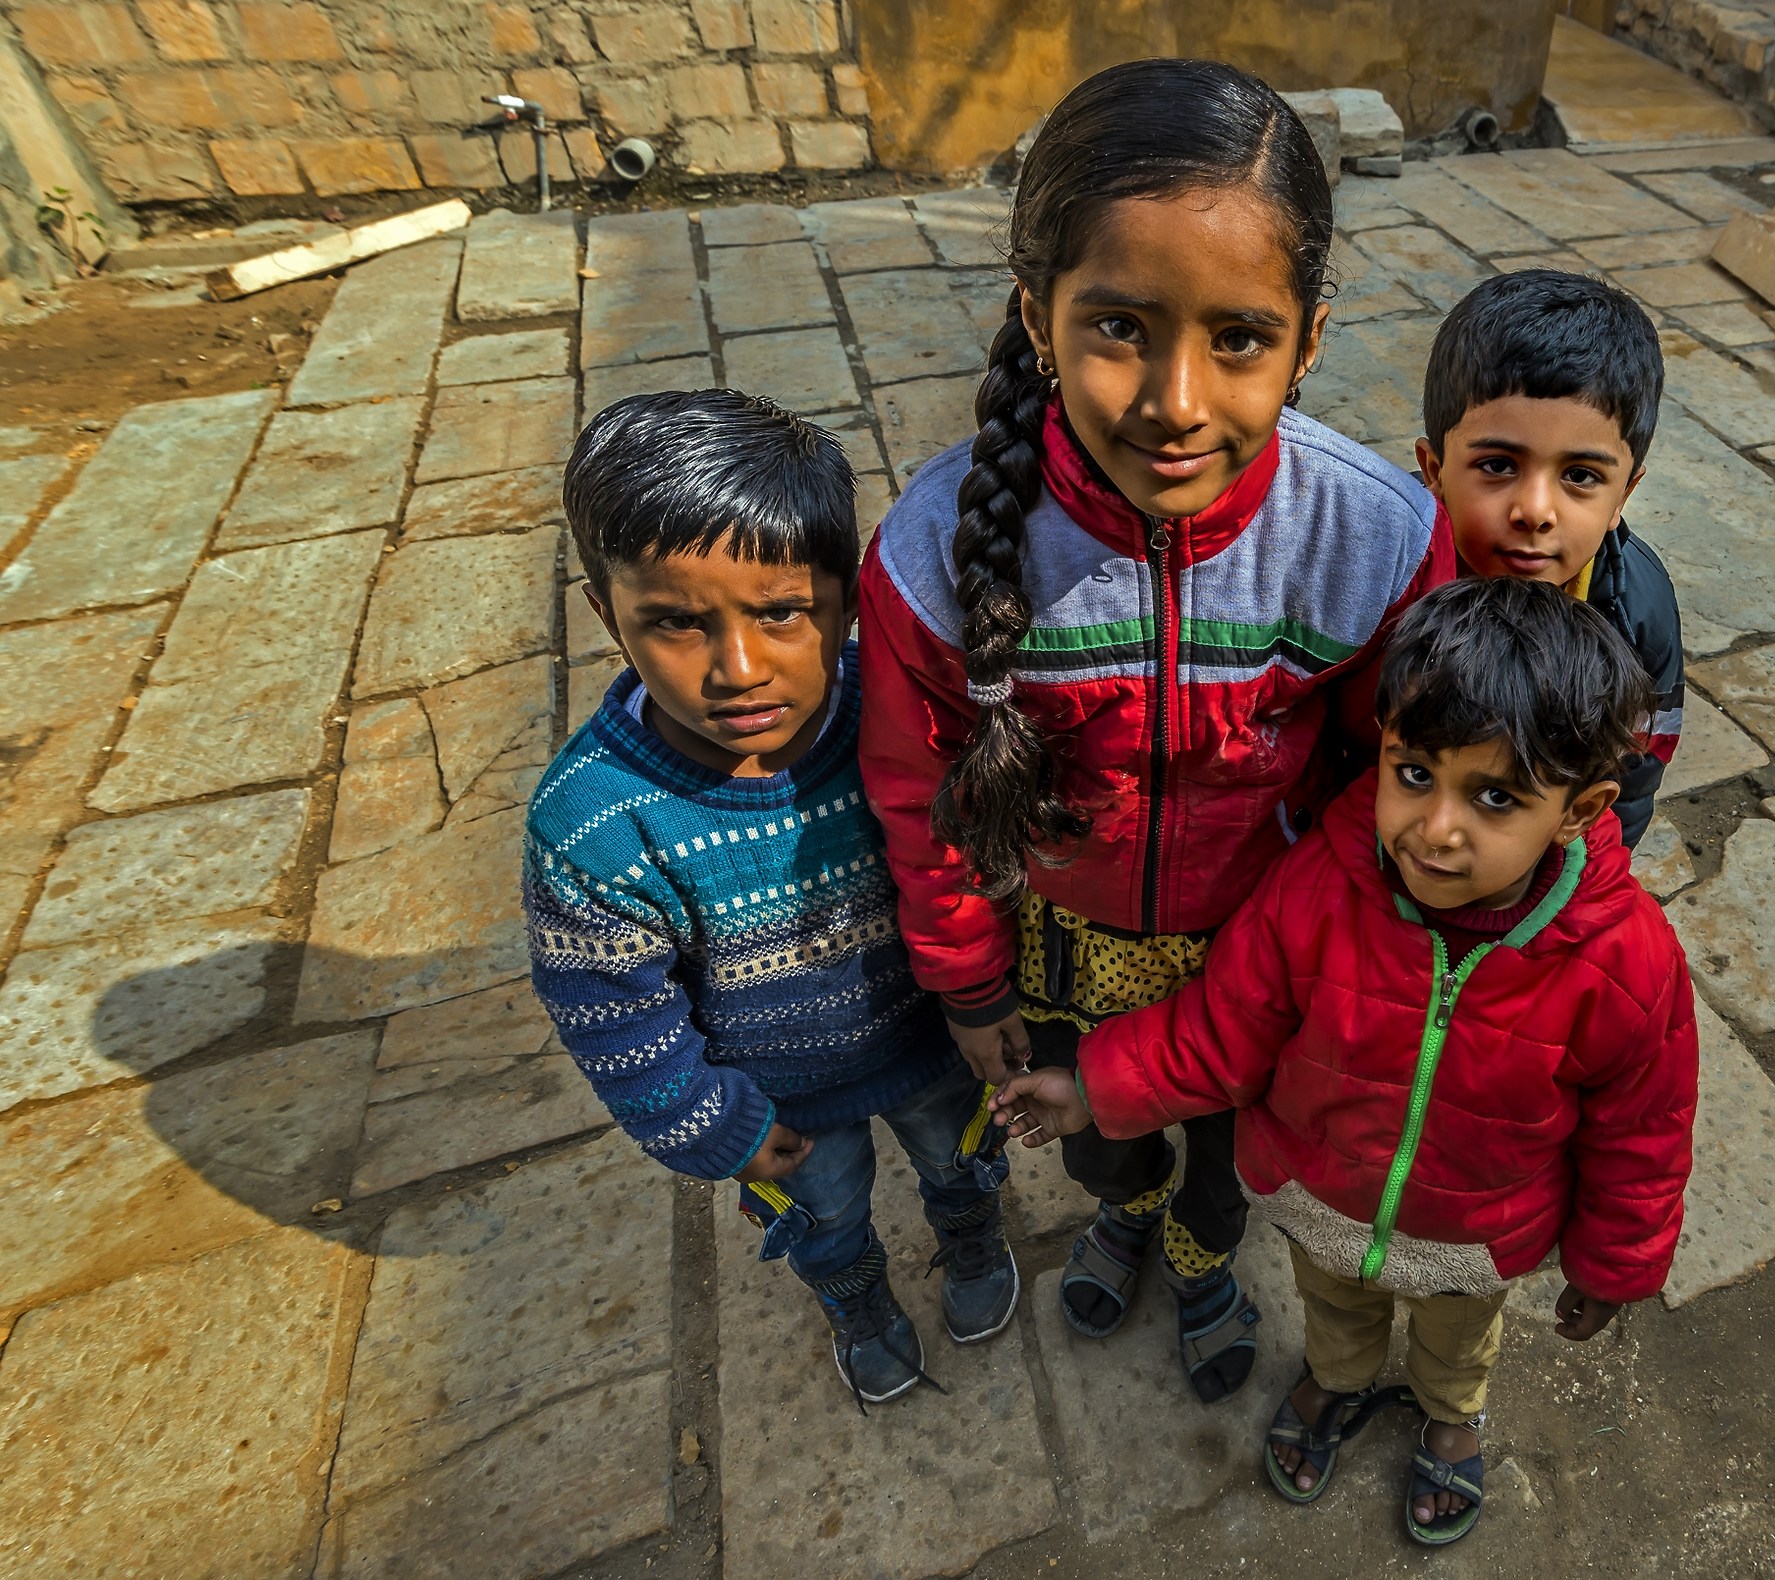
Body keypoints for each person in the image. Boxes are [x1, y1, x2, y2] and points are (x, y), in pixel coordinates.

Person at [858, 58, 1450, 1405]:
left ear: (1309, 336)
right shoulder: (937, 559)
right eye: (1119, 325)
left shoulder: (1375, 542)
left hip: (1265, 951)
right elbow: (919, 793)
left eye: (1239, 337)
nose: (1177, 402)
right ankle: (1129, 1211)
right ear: (1036, 312)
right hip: (1057, 955)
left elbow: (1388, 772)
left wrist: (1341, 944)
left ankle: (1199, 1254)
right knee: (1100, 1139)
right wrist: (970, 986)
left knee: (1234, 1153)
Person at [993, 577, 1699, 1547]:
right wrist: (1095, 1085)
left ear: (1582, 808)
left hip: (1476, 1239)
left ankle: (1451, 1414)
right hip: (1319, 1200)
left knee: (1458, 1344)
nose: (1436, 825)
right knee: (1337, 1314)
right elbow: (1223, 1025)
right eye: (1414, 772)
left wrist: (1617, 1264)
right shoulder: (1318, 885)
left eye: (1495, 795)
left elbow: (1644, 1134)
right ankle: (1339, 1376)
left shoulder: (1625, 959)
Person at [523, 390, 1018, 1412]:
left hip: (933, 1047)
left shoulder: (902, 707)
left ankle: (970, 1243)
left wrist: (993, 996)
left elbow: (978, 854)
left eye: (782, 611)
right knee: (825, 1217)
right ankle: (861, 1305)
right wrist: (713, 1123)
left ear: (846, 596)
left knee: (963, 1165)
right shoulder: (592, 824)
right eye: (673, 622)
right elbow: (612, 1009)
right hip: (780, 1106)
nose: (738, 668)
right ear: (605, 612)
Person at [1414, 269, 1685, 850]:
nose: (1535, 512)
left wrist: (1594, 871)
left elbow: (1633, 774)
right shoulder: (1390, 574)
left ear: (1624, 496)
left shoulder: (1635, 611)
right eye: (1497, 465)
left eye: (1581, 477)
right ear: (1434, 471)